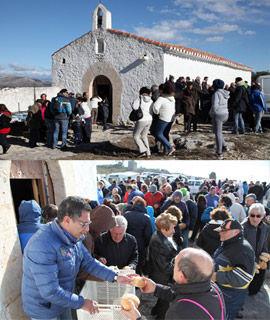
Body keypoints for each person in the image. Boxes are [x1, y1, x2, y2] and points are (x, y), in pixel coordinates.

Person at [22, 196, 134, 320]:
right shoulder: (42, 246)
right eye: (84, 224)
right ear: (67, 220)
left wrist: (115, 276)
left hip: (63, 300)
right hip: (44, 309)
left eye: (89, 224)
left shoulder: (74, 236)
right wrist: (82, 303)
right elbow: (50, 291)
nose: (87, 229)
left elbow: (89, 262)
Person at [122, 247, 226, 320]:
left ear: (181, 275)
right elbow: (184, 296)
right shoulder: (213, 288)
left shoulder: (179, 312)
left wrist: (138, 318)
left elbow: (186, 303)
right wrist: (156, 288)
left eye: (174, 264)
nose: (173, 267)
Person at [213, 219, 255, 320]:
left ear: (236, 232)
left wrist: (215, 276)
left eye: (224, 231)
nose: (220, 233)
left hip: (229, 302)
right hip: (223, 298)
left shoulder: (242, 249)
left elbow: (243, 278)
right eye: (220, 230)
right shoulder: (229, 243)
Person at [148, 212, 178, 319]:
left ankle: (154, 311)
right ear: (163, 229)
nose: (174, 231)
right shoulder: (159, 242)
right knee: (165, 302)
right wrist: (179, 269)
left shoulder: (160, 236)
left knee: (162, 299)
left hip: (160, 275)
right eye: (172, 228)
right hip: (162, 277)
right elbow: (164, 267)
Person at [241, 203, 269, 295]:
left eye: (258, 216)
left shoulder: (264, 227)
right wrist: (254, 260)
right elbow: (242, 247)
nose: (255, 218)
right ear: (248, 214)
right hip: (246, 260)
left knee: (255, 286)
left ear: (263, 216)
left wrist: (265, 254)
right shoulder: (243, 227)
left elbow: (263, 243)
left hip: (259, 261)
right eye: (252, 215)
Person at [123, 196, 153, 275]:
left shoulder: (126, 214)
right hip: (140, 246)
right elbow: (148, 235)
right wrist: (146, 247)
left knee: (127, 266)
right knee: (138, 267)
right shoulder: (146, 218)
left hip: (126, 244)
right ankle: (136, 285)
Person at [209, 79, 230, 159]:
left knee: (217, 133)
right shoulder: (226, 93)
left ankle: (219, 153)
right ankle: (224, 146)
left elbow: (215, 106)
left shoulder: (216, 93)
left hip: (218, 114)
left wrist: (211, 113)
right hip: (225, 113)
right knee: (217, 131)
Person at [153, 83, 176, 156]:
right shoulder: (172, 98)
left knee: (159, 134)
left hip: (164, 118)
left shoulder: (161, 98)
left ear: (161, 90)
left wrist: (158, 113)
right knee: (165, 134)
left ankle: (170, 147)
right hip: (171, 118)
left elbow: (155, 108)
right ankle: (166, 152)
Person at [132, 87, 153, 158]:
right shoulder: (151, 100)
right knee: (144, 136)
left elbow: (135, 107)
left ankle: (143, 150)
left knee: (136, 135)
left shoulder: (139, 98)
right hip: (149, 119)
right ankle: (148, 153)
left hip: (141, 120)